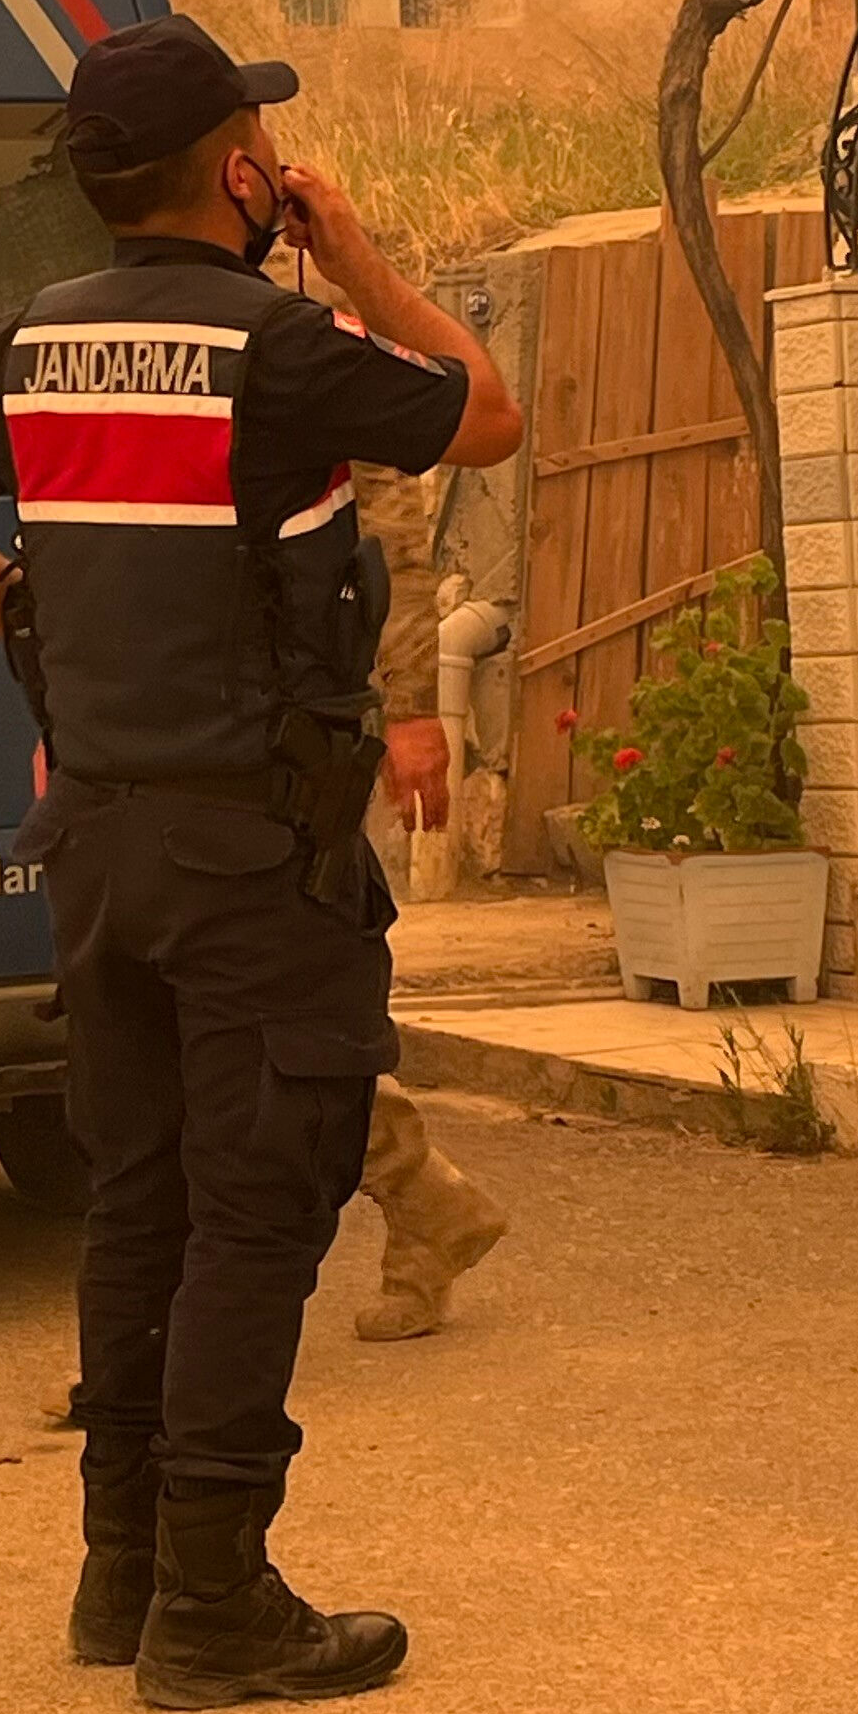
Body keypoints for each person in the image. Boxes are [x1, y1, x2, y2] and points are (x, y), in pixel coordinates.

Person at [0, 14, 524, 1711]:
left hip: (95, 842)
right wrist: (359, 256)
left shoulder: (26, 346)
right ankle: (219, 1603)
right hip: (254, 855)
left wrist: (37, 621)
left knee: (138, 1205)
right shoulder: (277, 348)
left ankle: (124, 1569)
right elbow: (491, 413)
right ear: (244, 173)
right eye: (260, 145)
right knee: (256, 1210)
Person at [348, 461, 512, 1343]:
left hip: (306, 727)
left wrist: (410, 710)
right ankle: (427, 1206)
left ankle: (423, 1207)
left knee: (286, 1009)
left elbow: (390, 544)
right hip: (194, 720)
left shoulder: (315, 330)